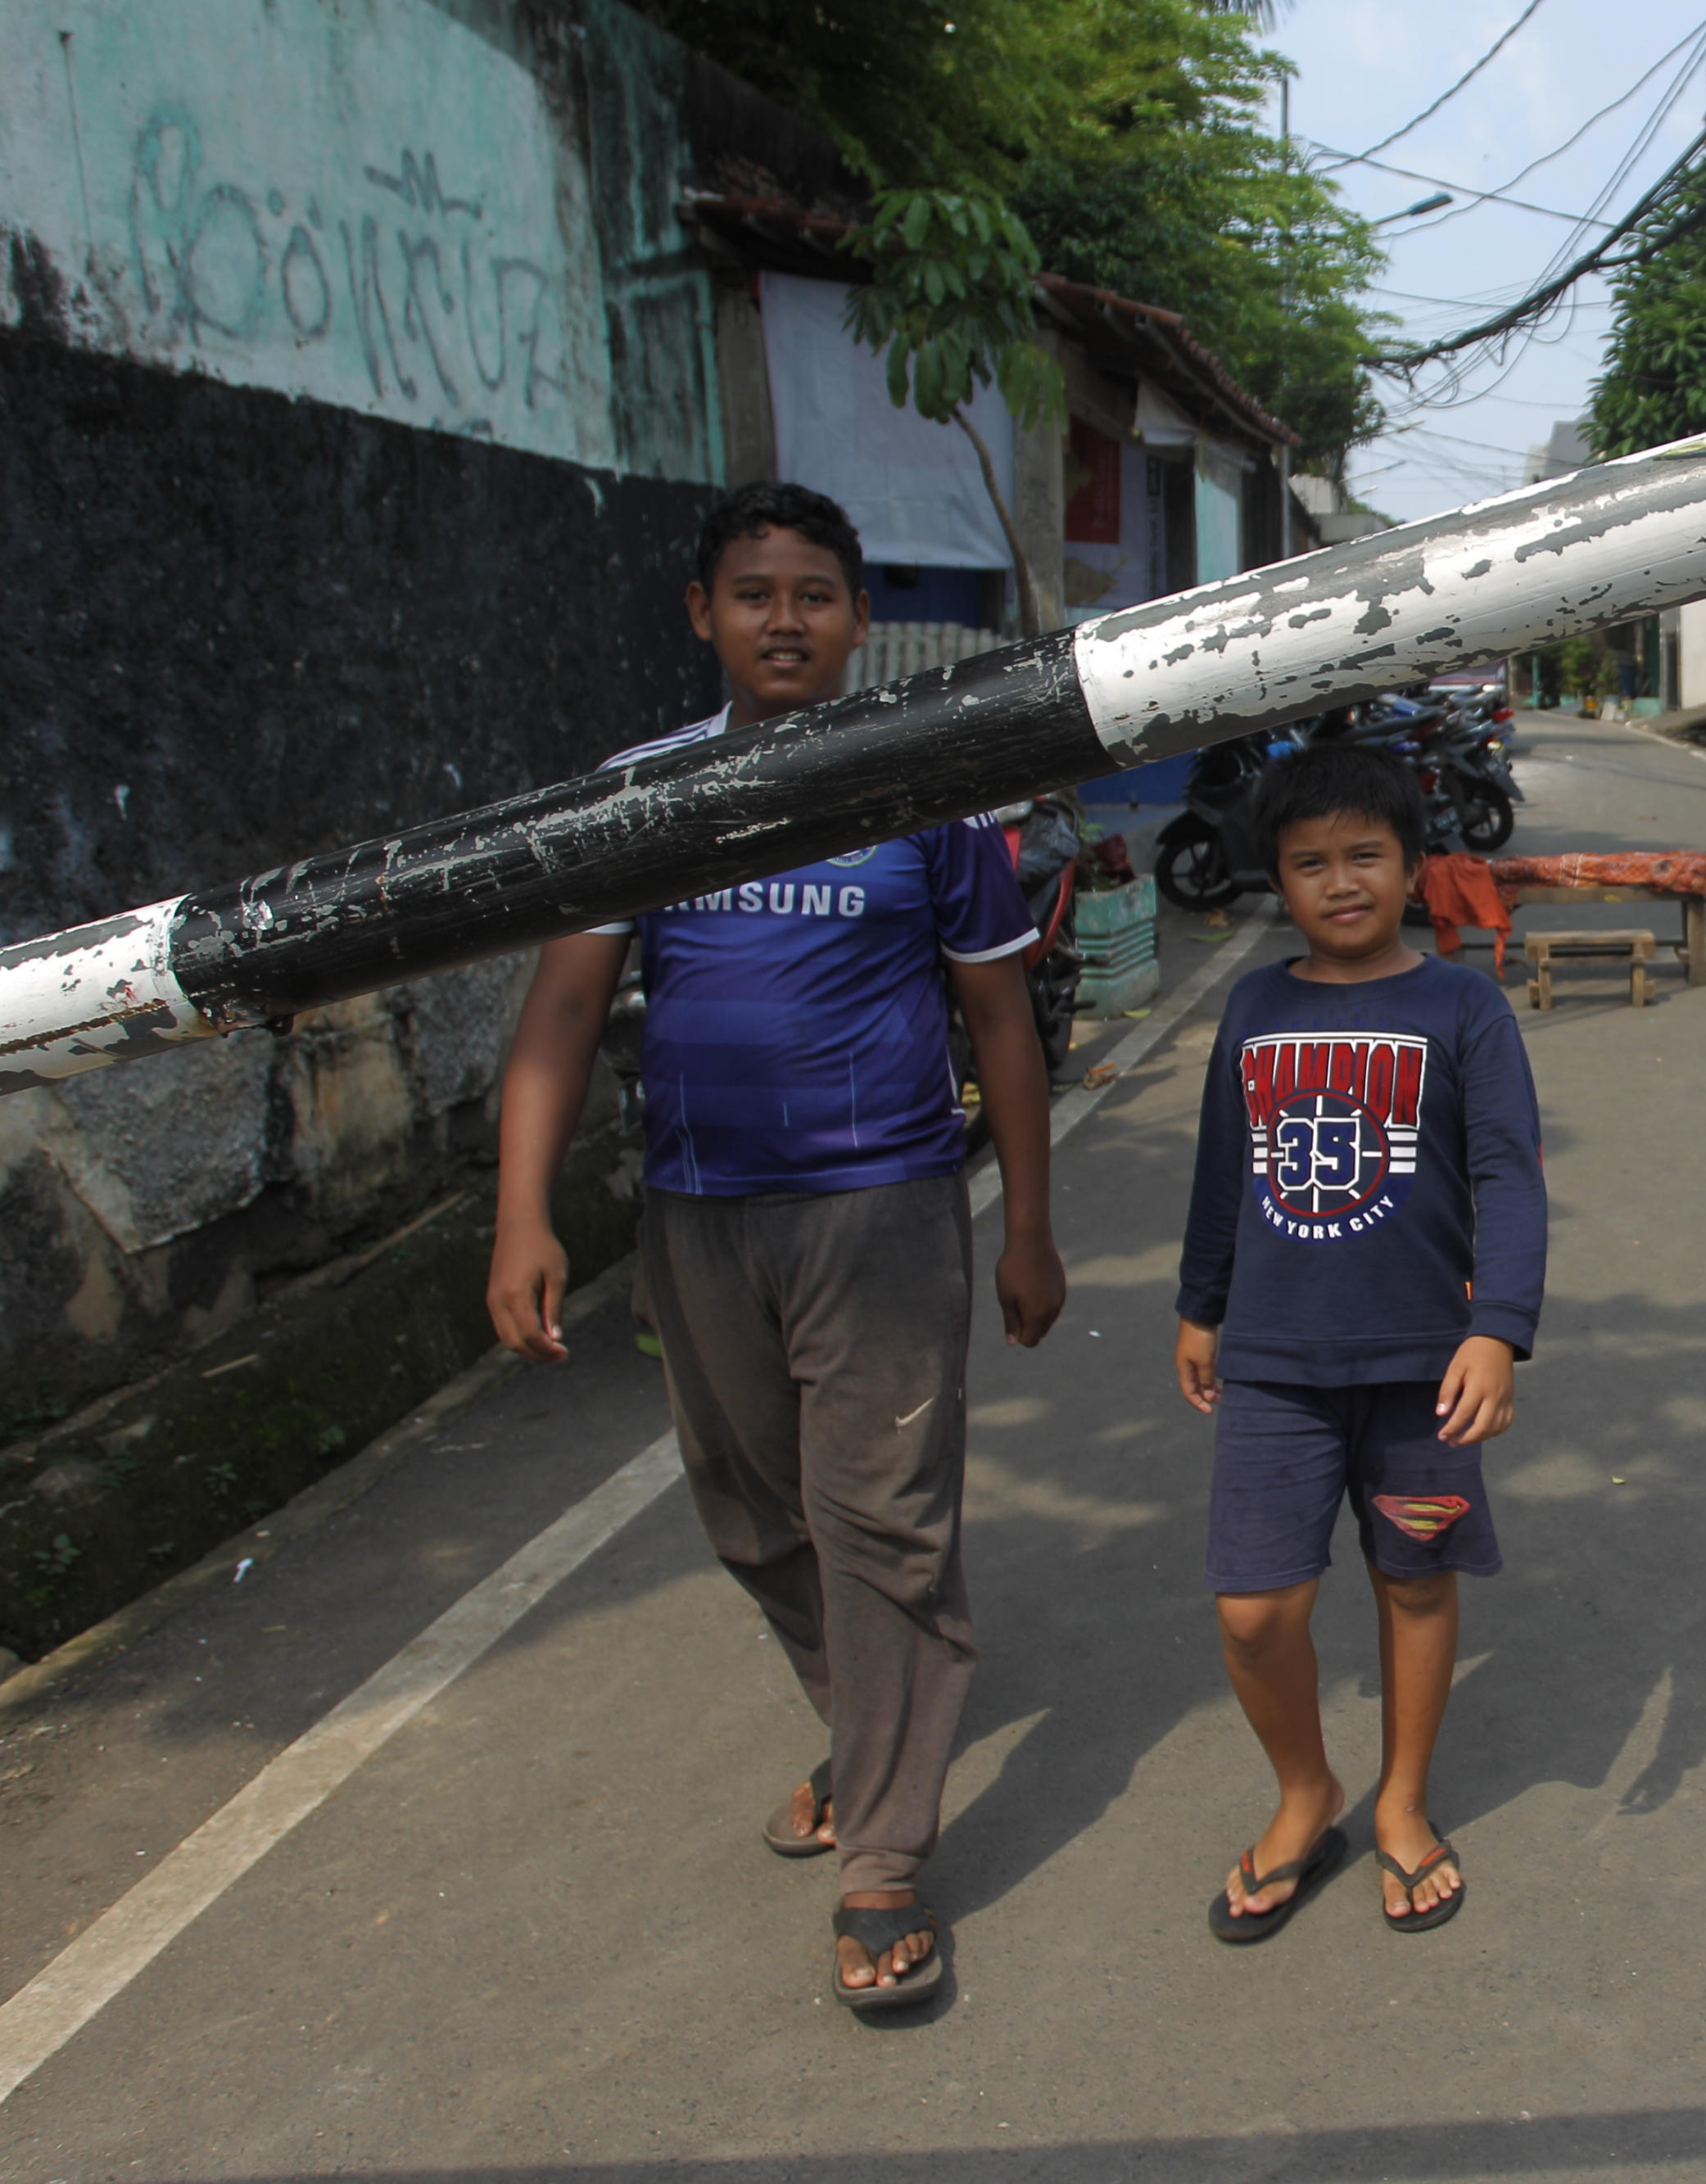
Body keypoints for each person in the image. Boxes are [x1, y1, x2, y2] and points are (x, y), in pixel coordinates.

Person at [485, 481, 1064, 2010]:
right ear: (704, 615)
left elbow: (999, 1018)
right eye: (755, 594)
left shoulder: (922, 791)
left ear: (858, 620)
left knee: (880, 1518)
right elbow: (556, 1012)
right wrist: (522, 1214)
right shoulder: (641, 792)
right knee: (751, 1513)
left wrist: (1031, 1229)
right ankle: (873, 1719)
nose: (785, 620)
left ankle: (882, 1852)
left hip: (879, 1208)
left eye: (815, 594)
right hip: (696, 1213)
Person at [1173, 742, 1545, 1942]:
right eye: (1309, 863)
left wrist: (1499, 1330)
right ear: (1276, 879)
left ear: (1413, 865)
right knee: (1253, 1611)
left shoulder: (1461, 1006)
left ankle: (1401, 1801)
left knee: (1415, 1581)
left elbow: (1509, 1175)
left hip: (1421, 1370)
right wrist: (1200, 1302)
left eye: (1365, 857)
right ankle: (1306, 1792)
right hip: (1276, 1363)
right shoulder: (1256, 1005)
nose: (1340, 883)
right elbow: (1226, 1168)